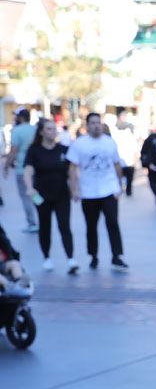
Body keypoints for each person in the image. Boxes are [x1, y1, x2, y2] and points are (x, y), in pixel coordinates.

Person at [67, 113, 128, 271]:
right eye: (93, 123)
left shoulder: (109, 143)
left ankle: (117, 256)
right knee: (91, 226)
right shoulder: (80, 144)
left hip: (109, 189)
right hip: (88, 192)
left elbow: (116, 165)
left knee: (113, 222)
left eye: (98, 123)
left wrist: (120, 186)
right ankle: (93, 255)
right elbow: (72, 168)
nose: (96, 126)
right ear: (87, 125)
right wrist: (75, 189)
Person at [22, 118, 77, 274]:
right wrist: (29, 188)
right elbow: (28, 170)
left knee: (64, 226)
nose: (53, 131)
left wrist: (75, 189)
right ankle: (46, 257)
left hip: (62, 195)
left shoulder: (64, 149)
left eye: (54, 129)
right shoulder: (34, 151)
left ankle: (71, 259)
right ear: (41, 132)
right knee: (45, 228)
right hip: (42, 196)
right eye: (49, 129)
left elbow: (72, 171)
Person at [3, 107, 39, 233]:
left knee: (26, 197)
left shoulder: (17, 131)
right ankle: (41, 219)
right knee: (35, 194)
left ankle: (32, 223)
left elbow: (13, 150)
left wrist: (6, 166)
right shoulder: (35, 129)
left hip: (22, 169)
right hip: (36, 168)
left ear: (20, 117)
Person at [112, 111, 137, 196]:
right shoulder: (116, 132)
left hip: (127, 159)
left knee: (127, 177)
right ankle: (125, 190)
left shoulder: (128, 132)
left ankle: (126, 190)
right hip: (122, 159)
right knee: (125, 177)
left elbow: (134, 146)